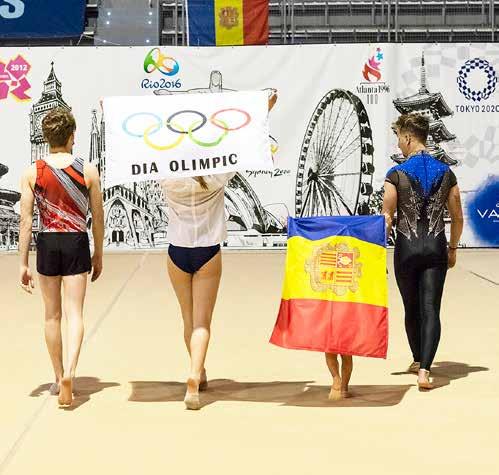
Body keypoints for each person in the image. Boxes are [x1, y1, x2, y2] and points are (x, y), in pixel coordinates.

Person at [163, 92, 277, 410]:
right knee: (203, 323)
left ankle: (197, 371)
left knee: (188, 319)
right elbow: (243, 147)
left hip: (177, 250)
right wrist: (263, 113)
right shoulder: (216, 175)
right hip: (208, 251)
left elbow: (138, 153)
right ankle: (194, 376)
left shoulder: (167, 177)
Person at [19, 107, 104, 407]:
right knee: (75, 314)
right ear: (72, 136)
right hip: (76, 241)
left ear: (46, 137)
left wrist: (23, 263)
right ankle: (71, 371)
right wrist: (98, 254)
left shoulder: (33, 172)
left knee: (51, 315)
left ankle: (57, 376)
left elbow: (26, 221)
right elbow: (97, 218)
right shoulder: (87, 170)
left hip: (47, 242)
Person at [382, 113, 463, 391]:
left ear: (407, 137)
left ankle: (417, 359)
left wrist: (378, 249)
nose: (398, 145)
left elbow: (387, 217)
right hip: (435, 246)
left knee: (411, 307)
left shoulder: (395, 174)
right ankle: (425, 371)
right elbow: (458, 216)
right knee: (430, 308)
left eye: (398, 139)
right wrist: (453, 248)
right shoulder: (446, 173)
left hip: (406, 248)